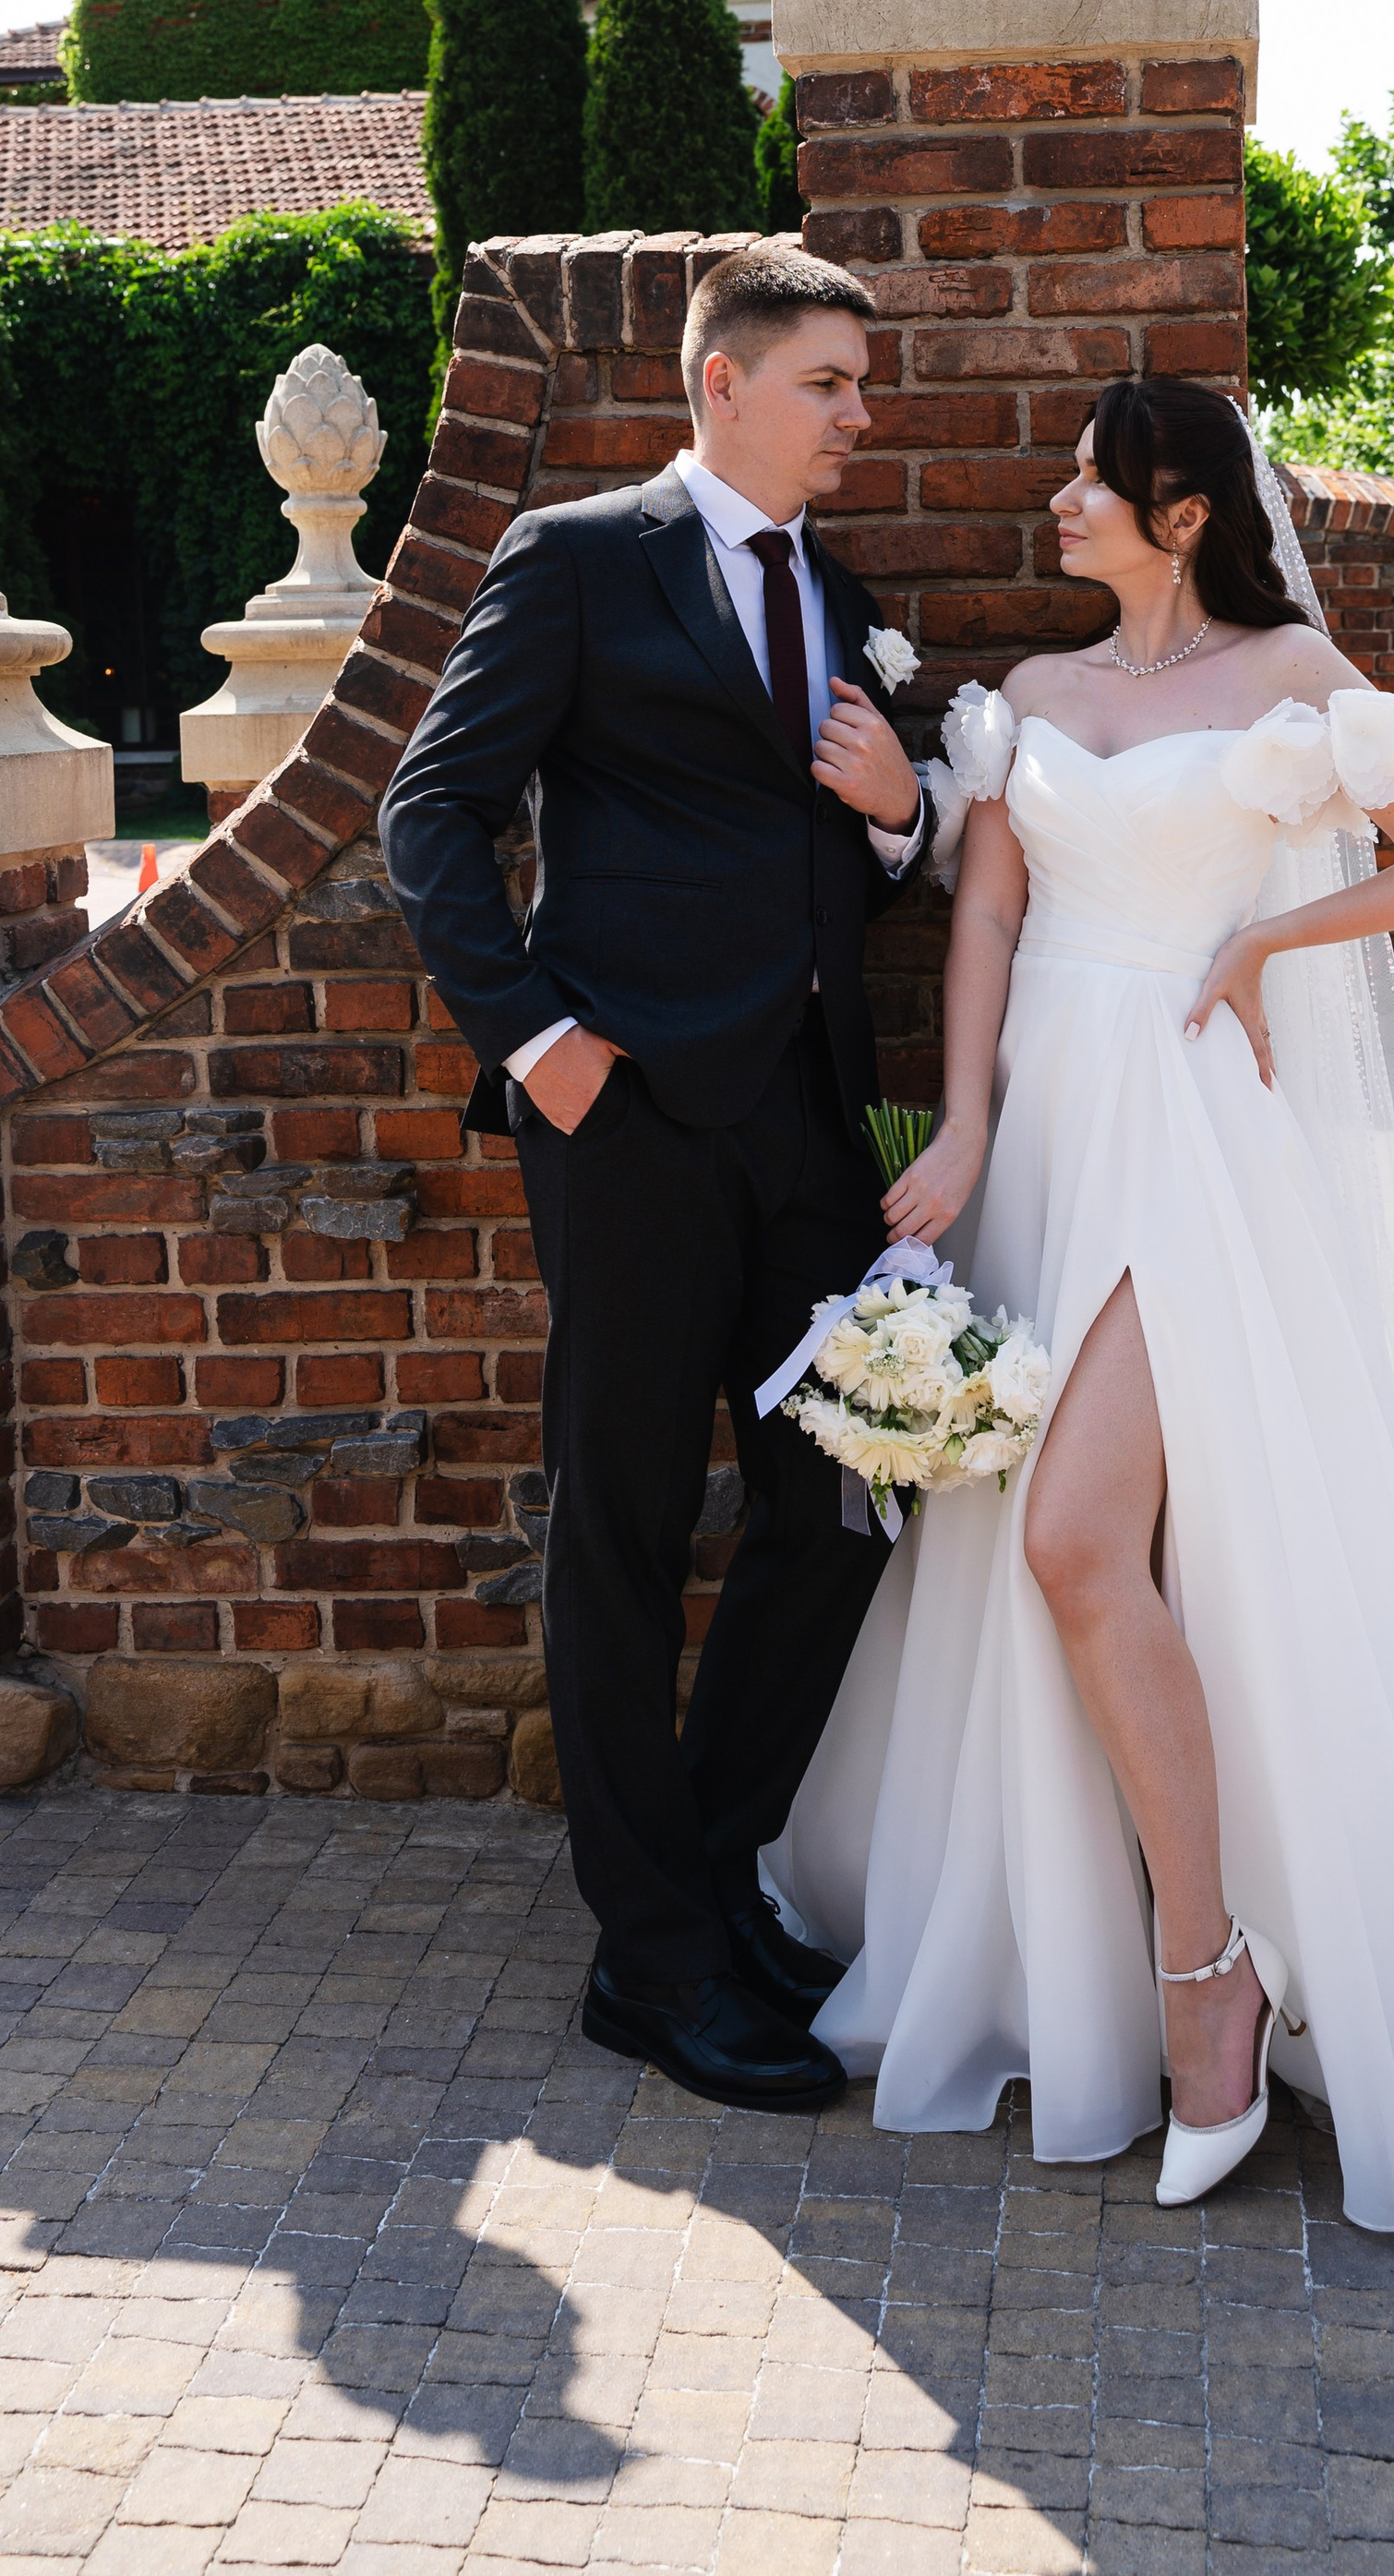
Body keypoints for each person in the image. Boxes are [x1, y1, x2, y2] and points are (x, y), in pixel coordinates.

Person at [768, 375, 1394, 2229]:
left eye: (1095, 477)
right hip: (1052, 1136)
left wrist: (1255, 935)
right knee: (1077, 1554)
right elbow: (988, 915)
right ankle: (1098, 1957)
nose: (1061, 496)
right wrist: (968, 1129)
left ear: (1182, 514)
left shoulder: (1295, 675)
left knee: (1078, 1545)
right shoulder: (1037, 701)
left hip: (1192, 1131)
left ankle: (1206, 1974)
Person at [380, 245, 931, 2114]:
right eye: (831, 383)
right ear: (723, 383)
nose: (862, 414)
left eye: (861, 384)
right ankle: (656, 1952)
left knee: (844, 1497)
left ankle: (692, 1880)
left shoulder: (839, 597)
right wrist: (540, 1045)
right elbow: (429, 809)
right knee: (617, 1528)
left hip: (806, 1120)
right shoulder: (578, 558)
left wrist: (898, 814)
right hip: (622, 1125)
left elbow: (854, 866)